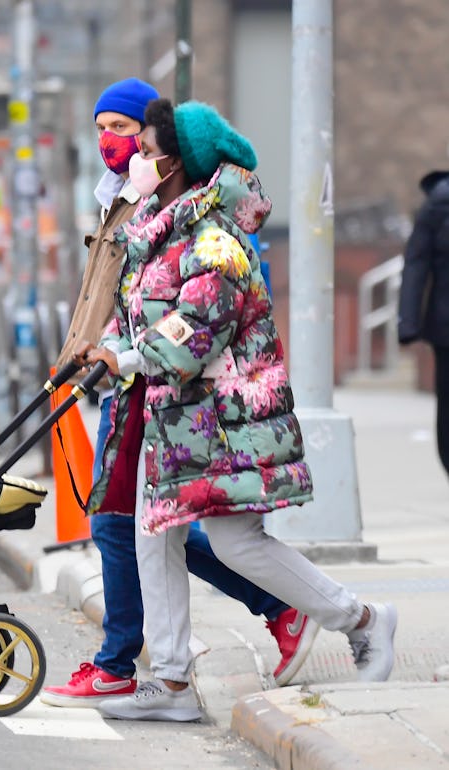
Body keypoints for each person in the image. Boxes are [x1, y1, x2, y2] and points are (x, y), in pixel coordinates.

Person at [75, 98, 398, 722]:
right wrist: (109, 350)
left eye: (144, 148)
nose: (136, 159)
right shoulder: (165, 231)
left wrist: (130, 358)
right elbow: (143, 317)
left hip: (221, 422)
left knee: (235, 543)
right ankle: (170, 684)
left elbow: (197, 332)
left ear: (177, 161)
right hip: (176, 422)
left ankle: (361, 618)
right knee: (153, 536)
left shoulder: (215, 238)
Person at [40, 79, 319, 710]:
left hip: (158, 383)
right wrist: (78, 361)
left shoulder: (191, 223)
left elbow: (179, 320)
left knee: (140, 525)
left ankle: (135, 663)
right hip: (127, 373)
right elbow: (111, 305)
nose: (115, 145)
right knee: (143, 525)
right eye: (103, 129)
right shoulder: (127, 206)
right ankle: (164, 667)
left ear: (162, 147)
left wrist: (121, 357)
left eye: (126, 131)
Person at [398, 170, 449, 477]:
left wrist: (408, 321)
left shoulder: (435, 204)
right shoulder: (438, 206)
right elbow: (416, 263)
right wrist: (408, 321)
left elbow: (416, 262)